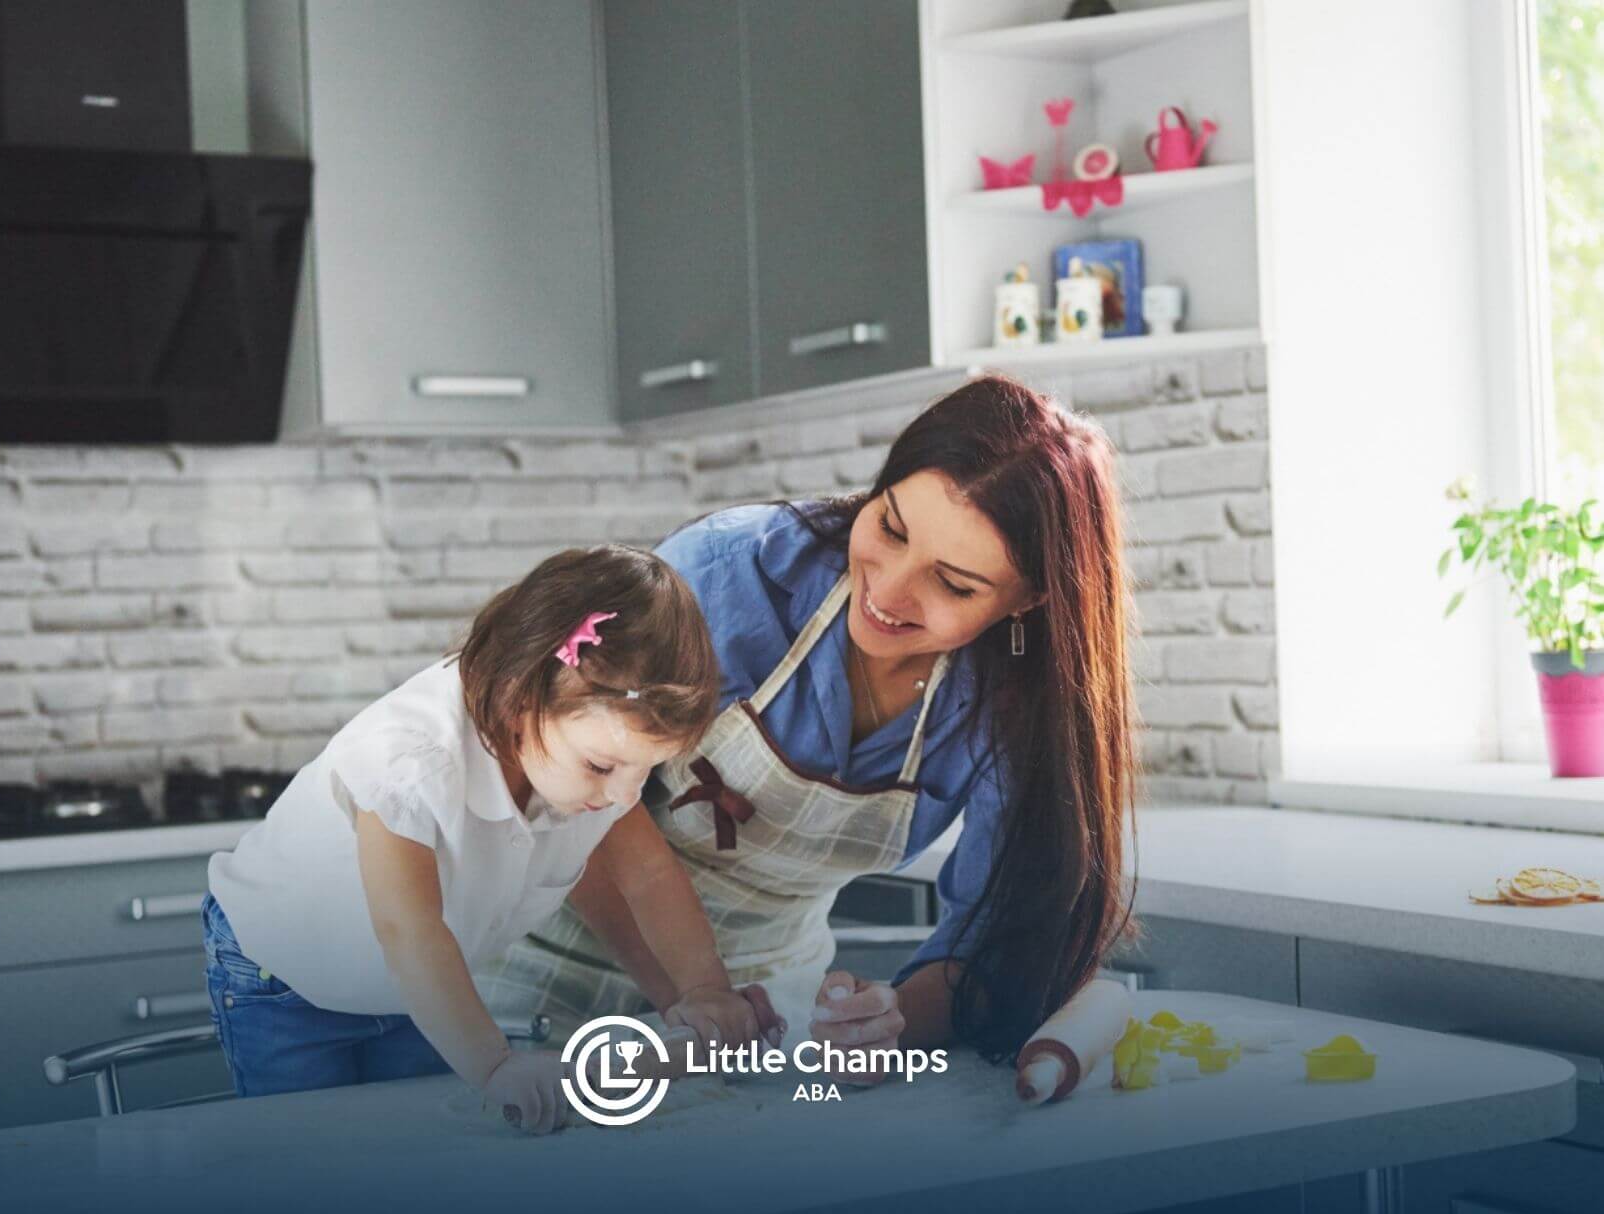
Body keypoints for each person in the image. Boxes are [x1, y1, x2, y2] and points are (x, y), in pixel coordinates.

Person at [482, 374, 1138, 1075]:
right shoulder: (729, 573)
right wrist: (696, 997)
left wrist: (890, 1021)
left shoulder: (1012, 699)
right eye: (889, 527)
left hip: (768, 1009)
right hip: (537, 969)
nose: (887, 591)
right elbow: (573, 795)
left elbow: (997, 934)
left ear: (1028, 600)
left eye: (953, 584)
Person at [203, 545, 763, 1131]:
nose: (626, 797)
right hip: (283, 976)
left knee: (416, 1145)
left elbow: (645, 880)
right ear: (521, 700)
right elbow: (408, 930)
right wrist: (494, 1065)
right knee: (310, 1159)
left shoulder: (581, 764)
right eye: (604, 767)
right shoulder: (414, 761)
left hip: (412, 988)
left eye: (646, 770)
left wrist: (698, 992)